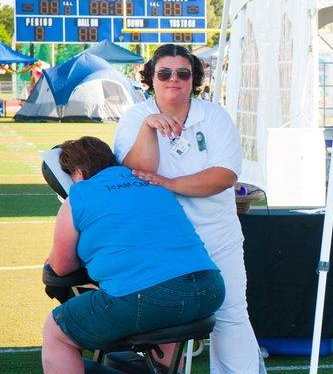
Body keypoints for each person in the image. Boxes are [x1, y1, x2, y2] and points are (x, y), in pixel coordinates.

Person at [114, 44, 266, 374]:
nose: (174, 80)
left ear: (194, 78)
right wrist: (148, 128)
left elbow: (223, 176)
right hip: (159, 240)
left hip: (217, 236)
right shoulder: (135, 118)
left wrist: (168, 183)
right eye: (164, 73)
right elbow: (135, 172)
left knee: (231, 314)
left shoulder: (214, 116)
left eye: (183, 73)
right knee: (165, 322)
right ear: (150, 78)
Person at [41, 136, 225, 374]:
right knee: (169, 310)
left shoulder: (79, 196)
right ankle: (163, 368)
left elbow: (61, 267)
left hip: (150, 296)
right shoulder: (150, 182)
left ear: (76, 172)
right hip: (209, 288)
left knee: (57, 330)